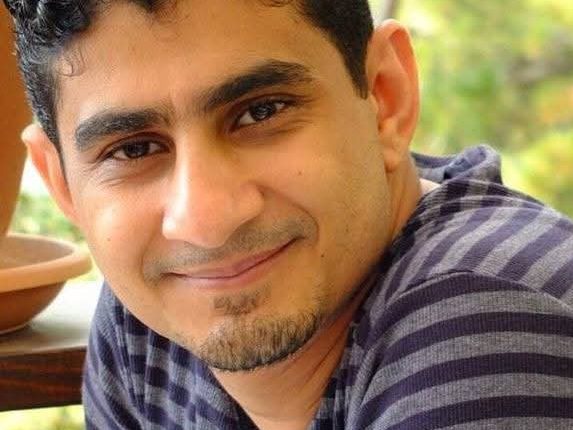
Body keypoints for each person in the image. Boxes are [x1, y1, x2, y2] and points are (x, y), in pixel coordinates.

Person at [3, 0, 573, 428]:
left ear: (385, 98)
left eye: (261, 112)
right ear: (64, 185)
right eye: (133, 150)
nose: (203, 220)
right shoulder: (153, 321)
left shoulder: (486, 322)